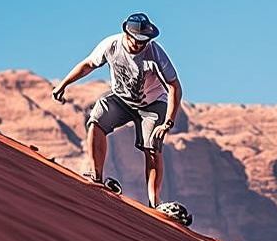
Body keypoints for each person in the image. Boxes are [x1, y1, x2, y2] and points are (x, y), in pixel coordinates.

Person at [51, 13, 182, 207]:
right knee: (96, 118)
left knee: (152, 146)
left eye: (145, 41)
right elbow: (88, 65)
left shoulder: (155, 53)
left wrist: (167, 122)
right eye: (137, 41)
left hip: (152, 105)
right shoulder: (111, 45)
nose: (141, 45)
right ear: (126, 34)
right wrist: (63, 84)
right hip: (122, 100)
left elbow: (174, 86)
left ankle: (154, 203)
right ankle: (96, 177)